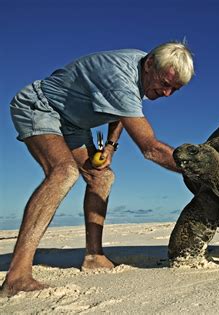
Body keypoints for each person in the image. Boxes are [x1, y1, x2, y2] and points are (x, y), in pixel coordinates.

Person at [1, 41, 194, 296]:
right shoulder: (120, 76)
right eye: (165, 84)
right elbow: (151, 149)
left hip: (74, 125)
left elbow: (122, 111)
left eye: (175, 90)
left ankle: (94, 257)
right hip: (41, 106)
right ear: (149, 64)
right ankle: (17, 275)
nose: (167, 93)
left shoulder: (144, 68)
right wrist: (199, 171)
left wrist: (111, 146)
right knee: (64, 172)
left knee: (101, 177)